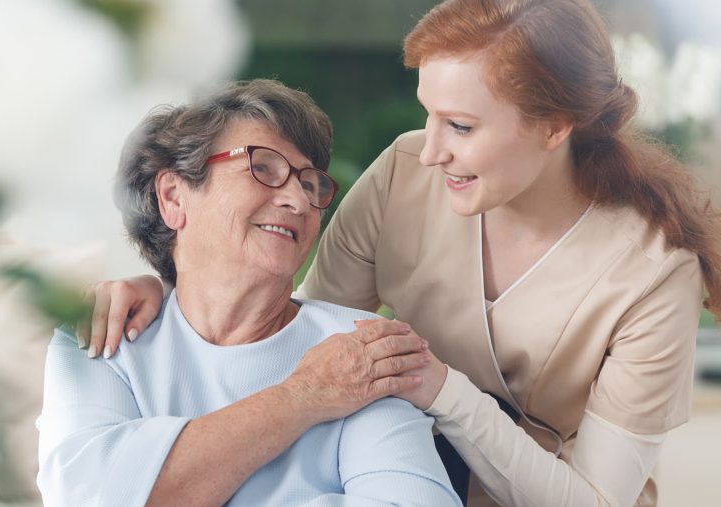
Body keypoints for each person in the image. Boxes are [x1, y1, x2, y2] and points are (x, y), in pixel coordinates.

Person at [80, 1, 721, 506]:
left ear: (555, 128)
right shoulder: (405, 173)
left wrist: (443, 389)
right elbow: (301, 338)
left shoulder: (654, 274)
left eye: (462, 126)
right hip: (393, 464)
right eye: (428, 115)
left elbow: (596, 501)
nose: (431, 147)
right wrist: (175, 283)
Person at [37, 79, 462, 506]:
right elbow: (86, 496)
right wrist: (304, 395)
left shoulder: (362, 349)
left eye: (311, 183)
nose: (298, 200)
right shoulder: (101, 333)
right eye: (264, 168)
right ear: (173, 197)